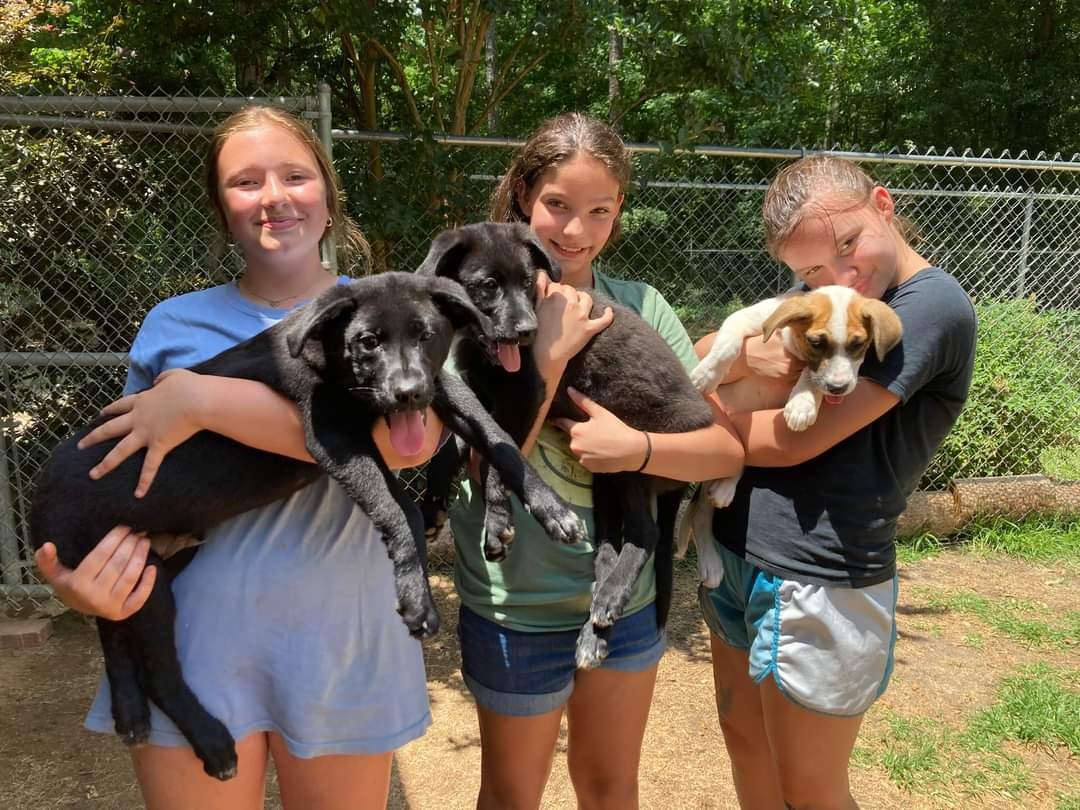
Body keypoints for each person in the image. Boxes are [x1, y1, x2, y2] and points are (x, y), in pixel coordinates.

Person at [34, 105, 445, 810]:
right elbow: (123, 475)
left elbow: (405, 445)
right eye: (245, 182)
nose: (274, 197)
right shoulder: (174, 323)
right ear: (221, 209)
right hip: (197, 645)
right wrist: (78, 584)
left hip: (343, 642)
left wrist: (200, 402)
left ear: (328, 194)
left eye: (295, 175)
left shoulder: (385, 310)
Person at [448, 113, 746, 810]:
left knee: (611, 788)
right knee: (510, 794)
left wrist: (635, 449)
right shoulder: (471, 307)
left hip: (625, 606)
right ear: (525, 195)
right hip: (513, 607)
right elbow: (480, 468)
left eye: (599, 212)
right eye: (558, 205)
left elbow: (724, 448)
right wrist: (546, 360)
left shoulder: (640, 306)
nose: (575, 232)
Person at [696, 155, 977, 809]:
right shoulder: (837, 307)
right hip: (741, 551)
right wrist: (748, 349)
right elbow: (716, 341)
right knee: (747, 745)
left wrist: (677, 442)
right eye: (812, 272)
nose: (842, 276)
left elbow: (797, 441)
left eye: (849, 245)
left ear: (882, 203)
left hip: (821, 571)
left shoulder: (926, 306)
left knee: (811, 789)